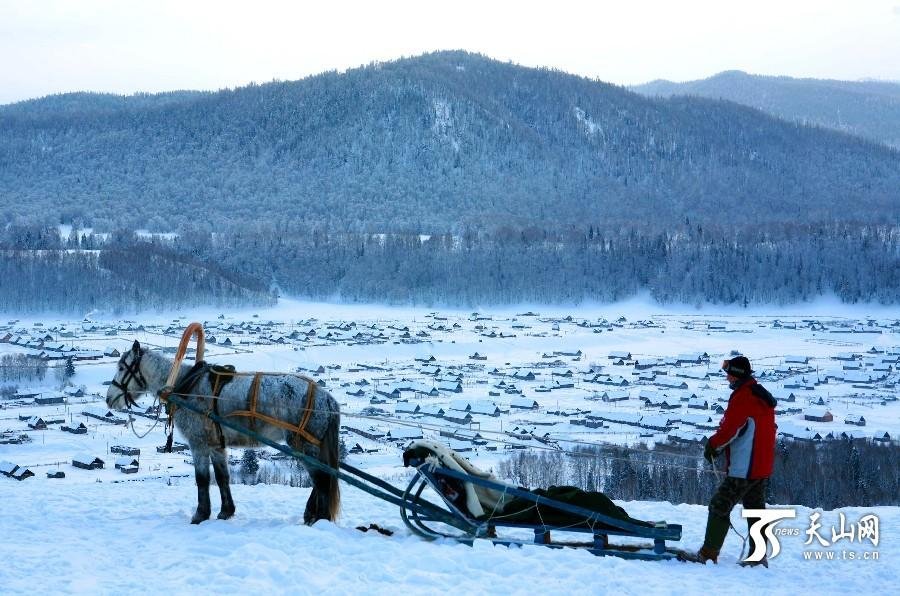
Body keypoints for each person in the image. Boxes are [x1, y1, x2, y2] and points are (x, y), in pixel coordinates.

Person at [692, 355, 777, 566]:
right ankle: (758, 557)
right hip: (761, 465)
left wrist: (713, 446)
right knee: (756, 510)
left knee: (719, 505)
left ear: (736, 374)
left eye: (729, 373)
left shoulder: (744, 397)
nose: (727, 378)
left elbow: (731, 429)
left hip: (745, 467)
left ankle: (708, 554)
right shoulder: (760, 394)